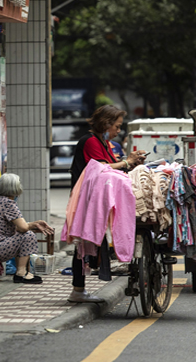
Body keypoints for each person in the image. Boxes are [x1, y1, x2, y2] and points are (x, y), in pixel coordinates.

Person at [67, 105, 146, 303]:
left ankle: (79, 289)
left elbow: (112, 166)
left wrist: (128, 162)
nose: (119, 131)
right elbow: (101, 168)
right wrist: (126, 162)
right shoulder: (91, 141)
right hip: (87, 200)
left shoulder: (102, 142)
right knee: (84, 244)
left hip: (94, 199)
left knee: (87, 244)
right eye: (117, 126)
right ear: (106, 124)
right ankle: (77, 290)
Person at [0, 173, 55, 284]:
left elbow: (19, 226)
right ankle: (21, 273)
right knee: (28, 235)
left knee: (23, 235)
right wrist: (33, 225)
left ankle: (22, 272)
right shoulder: (8, 203)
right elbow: (24, 228)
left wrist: (34, 223)